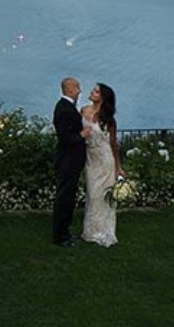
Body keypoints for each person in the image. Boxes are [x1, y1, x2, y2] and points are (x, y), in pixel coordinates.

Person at [81, 82, 125, 247]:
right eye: (93, 90)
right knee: (92, 194)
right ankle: (91, 230)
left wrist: (118, 167)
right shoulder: (83, 110)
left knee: (102, 197)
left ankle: (102, 231)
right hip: (90, 158)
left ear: (103, 97)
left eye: (96, 91)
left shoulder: (108, 120)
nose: (92, 92)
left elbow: (113, 144)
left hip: (105, 160)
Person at [52, 76, 89, 247]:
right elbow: (65, 137)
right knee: (65, 198)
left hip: (71, 161)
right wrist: (81, 135)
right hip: (68, 161)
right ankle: (61, 236)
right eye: (78, 87)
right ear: (70, 89)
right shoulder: (64, 109)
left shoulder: (66, 107)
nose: (80, 90)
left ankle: (64, 231)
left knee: (68, 197)